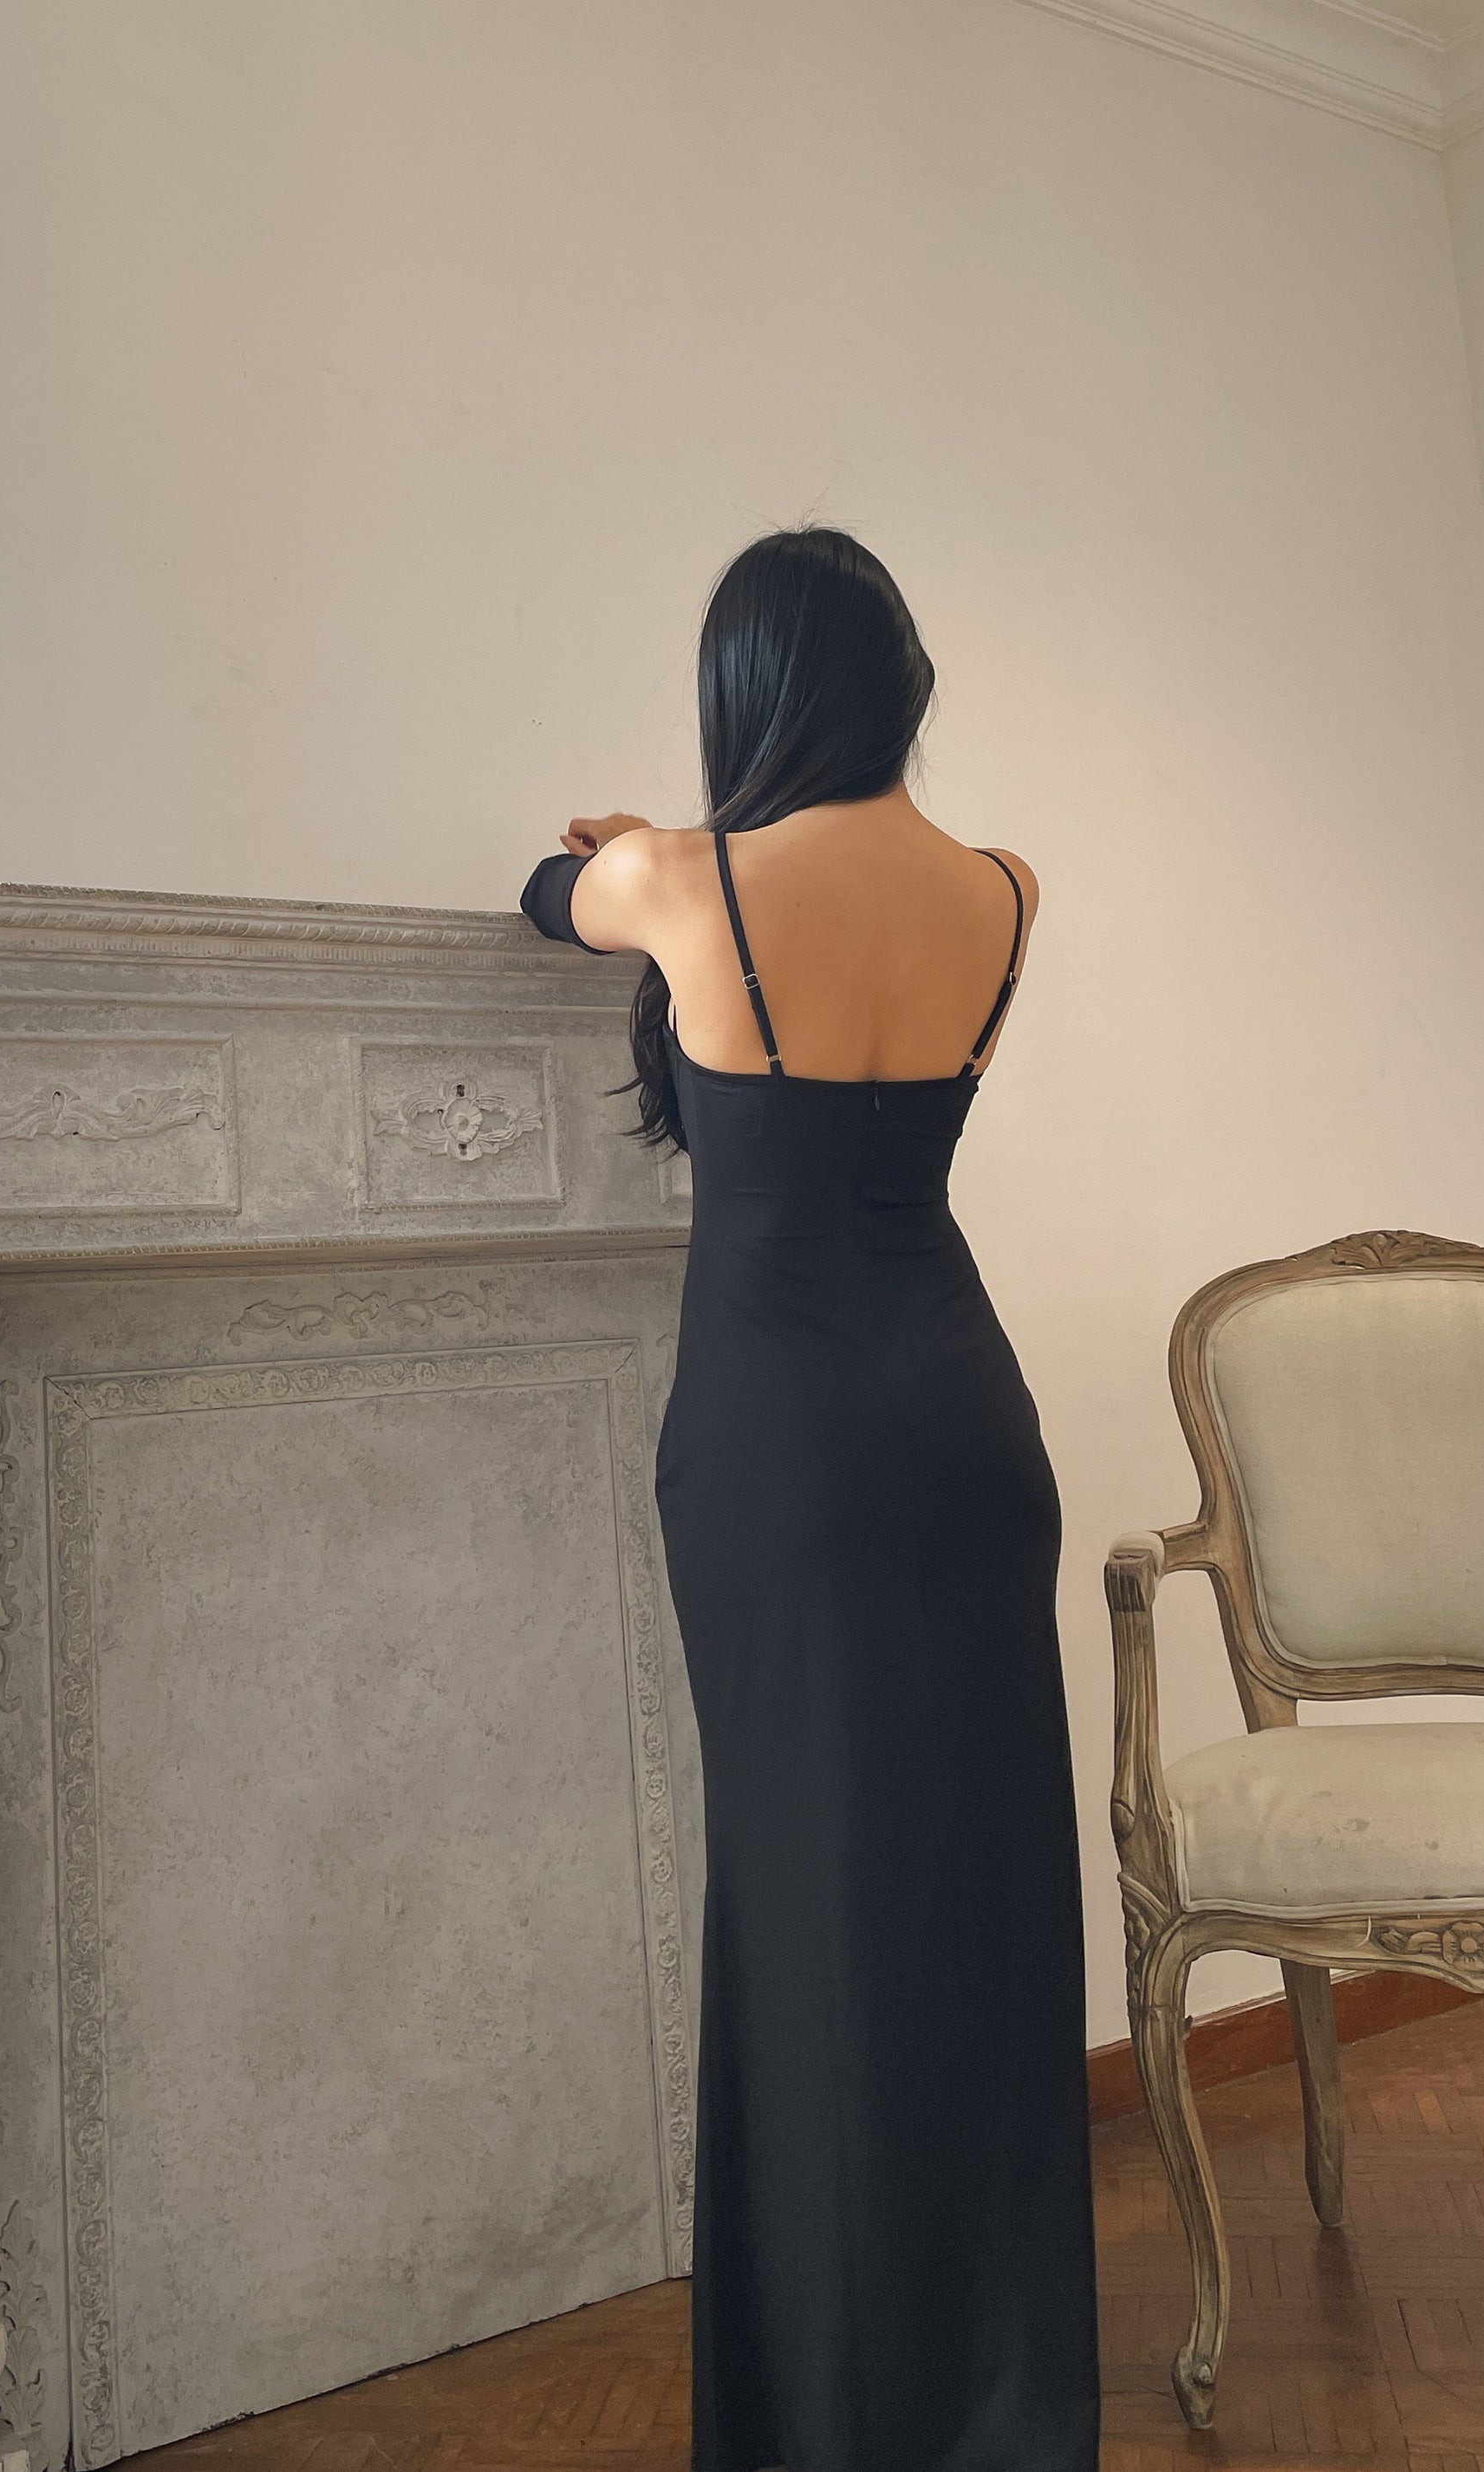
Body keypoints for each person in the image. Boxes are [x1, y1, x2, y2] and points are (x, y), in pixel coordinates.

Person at [518, 526, 1101, 2472]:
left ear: (745, 695)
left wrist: (630, 846)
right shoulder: (1004, 889)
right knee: (972, 1909)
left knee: (806, 1913)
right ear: (899, 686)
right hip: (965, 1425)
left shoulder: (685, 884)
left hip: (782, 1445)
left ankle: (827, 2416)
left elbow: (547, 895)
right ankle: (999, 2405)